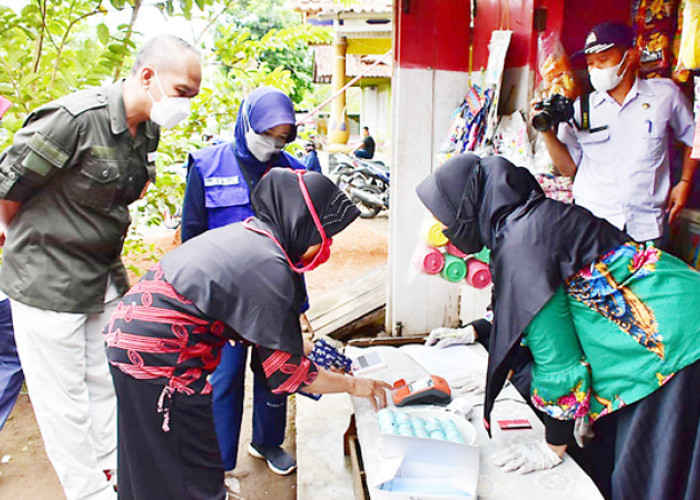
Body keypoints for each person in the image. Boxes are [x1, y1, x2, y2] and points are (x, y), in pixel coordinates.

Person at [417, 153, 700, 500]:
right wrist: (478, 331)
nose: (444, 230)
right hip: (672, 313)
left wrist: (553, 445)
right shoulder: (528, 222)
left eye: (445, 216)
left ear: (469, 206)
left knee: (646, 473)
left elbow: (558, 360)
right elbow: (540, 305)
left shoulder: (522, 243)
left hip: (675, 340)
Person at [105, 168, 390, 500]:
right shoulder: (270, 266)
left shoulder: (252, 237)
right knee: (190, 468)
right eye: (325, 235)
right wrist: (355, 385)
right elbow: (286, 374)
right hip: (159, 358)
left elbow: (259, 328)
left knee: (149, 459)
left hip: (129, 338)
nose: (326, 246)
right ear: (302, 224)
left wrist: (305, 347)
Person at [0, 35, 201, 499]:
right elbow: (9, 188)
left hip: (102, 279)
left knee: (107, 381)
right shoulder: (73, 120)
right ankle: (88, 493)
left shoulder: (147, 128)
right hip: (47, 282)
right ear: (147, 76)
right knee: (63, 402)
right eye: (183, 92)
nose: (186, 105)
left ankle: (116, 477)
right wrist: (32, 245)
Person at [181, 87, 306, 493]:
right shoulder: (206, 164)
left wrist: (299, 302)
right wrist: (193, 300)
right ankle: (218, 460)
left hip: (276, 295)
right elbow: (192, 235)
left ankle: (268, 442)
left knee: (276, 373)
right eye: (267, 131)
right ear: (247, 120)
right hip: (222, 299)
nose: (273, 142)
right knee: (224, 378)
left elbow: (302, 242)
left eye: (283, 135)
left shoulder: (293, 170)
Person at [536, 21, 698, 243]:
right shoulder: (581, 107)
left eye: (603, 60)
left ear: (630, 57)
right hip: (592, 227)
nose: (595, 70)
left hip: (647, 228)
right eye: (591, 64)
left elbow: (694, 136)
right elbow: (568, 168)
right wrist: (546, 132)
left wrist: (685, 182)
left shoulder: (664, 95)